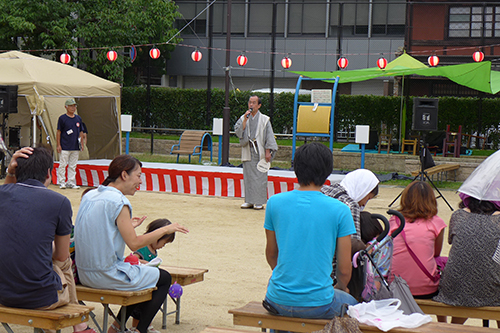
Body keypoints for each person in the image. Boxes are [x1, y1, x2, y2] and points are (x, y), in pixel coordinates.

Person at [74, 155, 189, 333]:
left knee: (144, 275)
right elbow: (135, 244)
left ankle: (118, 327)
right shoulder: (119, 202)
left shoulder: (89, 196)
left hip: (83, 273)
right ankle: (140, 329)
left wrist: (127, 226)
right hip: (104, 274)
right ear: (124, 175)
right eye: (139, 175)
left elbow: (98, 230)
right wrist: (166, 229)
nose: (140, 181)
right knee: (163, 278)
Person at [0, 146, 95, 333]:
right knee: (65, 261)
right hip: (41, 298)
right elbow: (60, 256)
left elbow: (8, 192)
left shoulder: (3, 195)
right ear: (49, 173)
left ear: (16, 170)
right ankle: (81, 326)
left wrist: (10, 172)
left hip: (3, 294)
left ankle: (78, 327)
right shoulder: (59, 202)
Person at [263, 142, 358, 325]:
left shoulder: (274, 203)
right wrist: (341, 287)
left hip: (277, 298)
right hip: (319, 303)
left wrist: (288, 280)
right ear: (328, 171)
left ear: (296, 168)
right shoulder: (340, 210)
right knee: (353, 304)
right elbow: (344, 269)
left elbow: (272, 254)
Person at [433, 192, 500, 325]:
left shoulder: (458, 215)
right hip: (489, 290)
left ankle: (454, 326)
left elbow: (452, 241)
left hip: (454, 288)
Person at [389, 181, 446, 321]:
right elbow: (435, 254)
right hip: (426, 288)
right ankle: (442, 323)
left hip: (397, 287)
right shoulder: (437, 223)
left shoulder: (394, 221)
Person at [234, 95, 278, 210]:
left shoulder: (264, 119)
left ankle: (259, 201)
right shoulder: (244, 117)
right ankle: (249, 200)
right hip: (248, 149)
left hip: (260, 150)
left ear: (259, 105)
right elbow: (238, 131)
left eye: (254, 103)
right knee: (248, 176)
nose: (251, 105)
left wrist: (268, 151)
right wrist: (244, 121)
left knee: (260, 176)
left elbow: (269, 136)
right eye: (250, 102)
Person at [321, 169, 380, 253]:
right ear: (363, 190)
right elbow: (354, 246)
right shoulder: (350, 205)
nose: (364, 204)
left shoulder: (324, 190)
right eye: (368, 198)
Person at [57, 98, 84, 189]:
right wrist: (58, 145)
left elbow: (81, 131)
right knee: (63, 164)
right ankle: (61, 181)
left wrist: (82, 143)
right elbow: (59, 132)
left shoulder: (78, 118)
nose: (73, 108)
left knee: (73, 165)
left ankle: (71, 181)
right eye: (71, 106)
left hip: (75, 146)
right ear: (66, 107)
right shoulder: (62, 118)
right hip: (65, 145)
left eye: (74, 106)